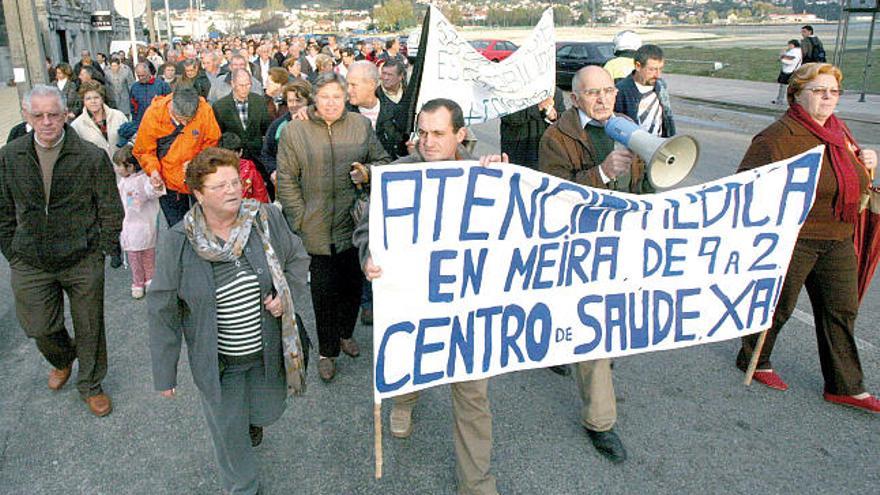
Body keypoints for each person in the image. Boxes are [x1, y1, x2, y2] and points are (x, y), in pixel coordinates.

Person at [352, 98, 502, 495]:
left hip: (467, 307)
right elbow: (366, 229)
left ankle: (477, 484)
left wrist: (503, 182)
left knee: (473, 398)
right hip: (413, 302)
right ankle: (405, 400)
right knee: (410, 364)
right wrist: (369, 257)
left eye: (438, 134)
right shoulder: (395, 176)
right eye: (423, 132)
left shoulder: (485, 174)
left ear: (460, 135)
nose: (428, 141)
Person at [148, 147, 312, 494]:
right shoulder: (177, 241)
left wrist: (287, 295)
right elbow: (162, 308)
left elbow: (297, 256)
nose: (233, 190)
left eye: (235, 182)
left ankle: (252, 422)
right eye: (220, 186)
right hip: (220, 363)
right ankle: (244, 486)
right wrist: (164, 372)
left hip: (267, 352)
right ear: (197, 194)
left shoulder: (265, 218)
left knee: (266, 411)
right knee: (229, 434)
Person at [735, 63, 880, 413]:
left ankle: (846, 386)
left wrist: (866, 164)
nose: (828, 97)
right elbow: (744, 187)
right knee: (778, 307)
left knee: (841, 310)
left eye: (833, 91)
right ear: (796, 94)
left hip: (838, 236)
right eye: (818, 90)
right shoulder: (778, 136)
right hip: (795, 239)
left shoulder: (839, 131)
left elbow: (854, 182)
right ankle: (755, 357)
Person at [540, 66, 653, 464]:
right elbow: (555, 198)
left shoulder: (627, 127)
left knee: (606, 326)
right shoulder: (557, 137)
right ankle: (601, 422)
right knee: (594, 336)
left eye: (608, 90)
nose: (604, 99)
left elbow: (646, 185)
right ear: (575, 99)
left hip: (624, 245)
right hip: (581, 250)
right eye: (593, 93)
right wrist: (603, 173)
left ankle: (558, 346)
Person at [0, 85, 123, 417]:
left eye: (53, 115)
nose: (46, 122)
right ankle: (62, 358)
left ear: (65, 115)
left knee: (90, 326)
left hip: (81, 257)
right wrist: (11, 250)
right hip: (30, 260)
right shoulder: (10, 156)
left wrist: (100, 249)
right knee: (38, 326)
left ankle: (91, 385)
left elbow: (111, 209)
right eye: (37, 115)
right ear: (26, 116)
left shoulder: (90, 156)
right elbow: (3, 209)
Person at [276, 73, 391, 382]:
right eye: (324, 97)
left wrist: (367, 172)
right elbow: (286, 180)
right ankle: (327, 351)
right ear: (314, 98)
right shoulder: (295, 131)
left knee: (352, 288)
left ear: (345, 98)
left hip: (353, 226)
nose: (330, 103)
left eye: (336, 97)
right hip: (314, 228)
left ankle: (345, 333)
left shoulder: (360, 126)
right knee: (324, 294)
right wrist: (299, 218)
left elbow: (383, 162)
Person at [133, 85, 221, 227]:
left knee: (206, 225)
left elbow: (212, 142)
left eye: (189, 120)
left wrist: (196, 162)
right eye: (181, 119)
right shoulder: (153, 114)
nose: (185, 124)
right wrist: (153, 171)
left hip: (197, 178)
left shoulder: (205, 110)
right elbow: (144, 151)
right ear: (172, 107)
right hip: (169, 183)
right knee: (178, 228)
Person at [112, 144, 165, 298]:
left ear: (130, 166)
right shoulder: (124, 182)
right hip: (130, 224)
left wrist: (156, 186)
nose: (116, 169)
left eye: (118, 166)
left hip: (143, 224)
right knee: (136, 256)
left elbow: (152, 192)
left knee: (147, 255)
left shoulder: (143, 179)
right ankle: (139, 282)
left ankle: (147, 280)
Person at [212, 70, 274, 199]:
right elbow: (219, 136)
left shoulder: (259, 101)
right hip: (234, 161)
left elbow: (266, 129)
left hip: (258, 159)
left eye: (248, 84)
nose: (245, 88)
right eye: (241, 85)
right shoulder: (220, 107)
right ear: (233, 84)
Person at [345, 60, 408, 160]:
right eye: (347, 85)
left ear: (371, 84)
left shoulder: (396, 113)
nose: (348, 90)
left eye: (353, 85)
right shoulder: (342, 115)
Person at [614, 44, 676, 137]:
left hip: (659, 144)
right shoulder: (621, 90)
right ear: (638, 66)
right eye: (652, 69)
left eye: (660, 69)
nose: (658, 75)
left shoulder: (660, 84)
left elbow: (667, 115)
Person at [261, 79, 312, 186]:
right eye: (290, 101)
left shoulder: (318, 122)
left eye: (298, 101)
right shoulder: (278, 125)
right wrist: (273, 171)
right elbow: (266, 153)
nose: (293, 105)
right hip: (288, 183)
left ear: (307, 100)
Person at [499, 89, 564, 169]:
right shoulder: (511, 91)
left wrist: (554, 116)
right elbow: (510, 118)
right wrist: (538, 107)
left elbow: (564, 123)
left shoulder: (555, 93)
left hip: (543, 156)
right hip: (517, 152)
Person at [70, 81, 129, 162]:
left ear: (102, 98)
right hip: (98, 172)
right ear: (83, 101)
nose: (93, 101)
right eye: (88, 98)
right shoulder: (77, 125)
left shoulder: (118, 116)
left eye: (96, 97)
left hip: (123, 169)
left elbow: (132, 139)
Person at [218, 132, 270, 203]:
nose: (229, 159)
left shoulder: (251, 171)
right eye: (225, 155)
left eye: (233, 154)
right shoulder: (214, 173)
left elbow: (261, 198)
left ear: (240, 152)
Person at [130, 62, 172, 128]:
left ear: (148, 72)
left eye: (143, 75)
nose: (140, 78)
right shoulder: (134, 87)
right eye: (138, 76)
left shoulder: (162, 85)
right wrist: (135, 123)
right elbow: (133, 107)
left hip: (159, 123)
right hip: (141, 123)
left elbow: (170, 104)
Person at [773, 39, 802, 106]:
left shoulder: (794, 52)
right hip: (795, 70)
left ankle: (780, 100)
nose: (788, 46)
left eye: (789, 45)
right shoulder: (799, 51)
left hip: (788, 71)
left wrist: (782, 57)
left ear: (792, 45)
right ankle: (793, 101)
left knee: (783, 87)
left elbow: (790, 61)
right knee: (793, 87)